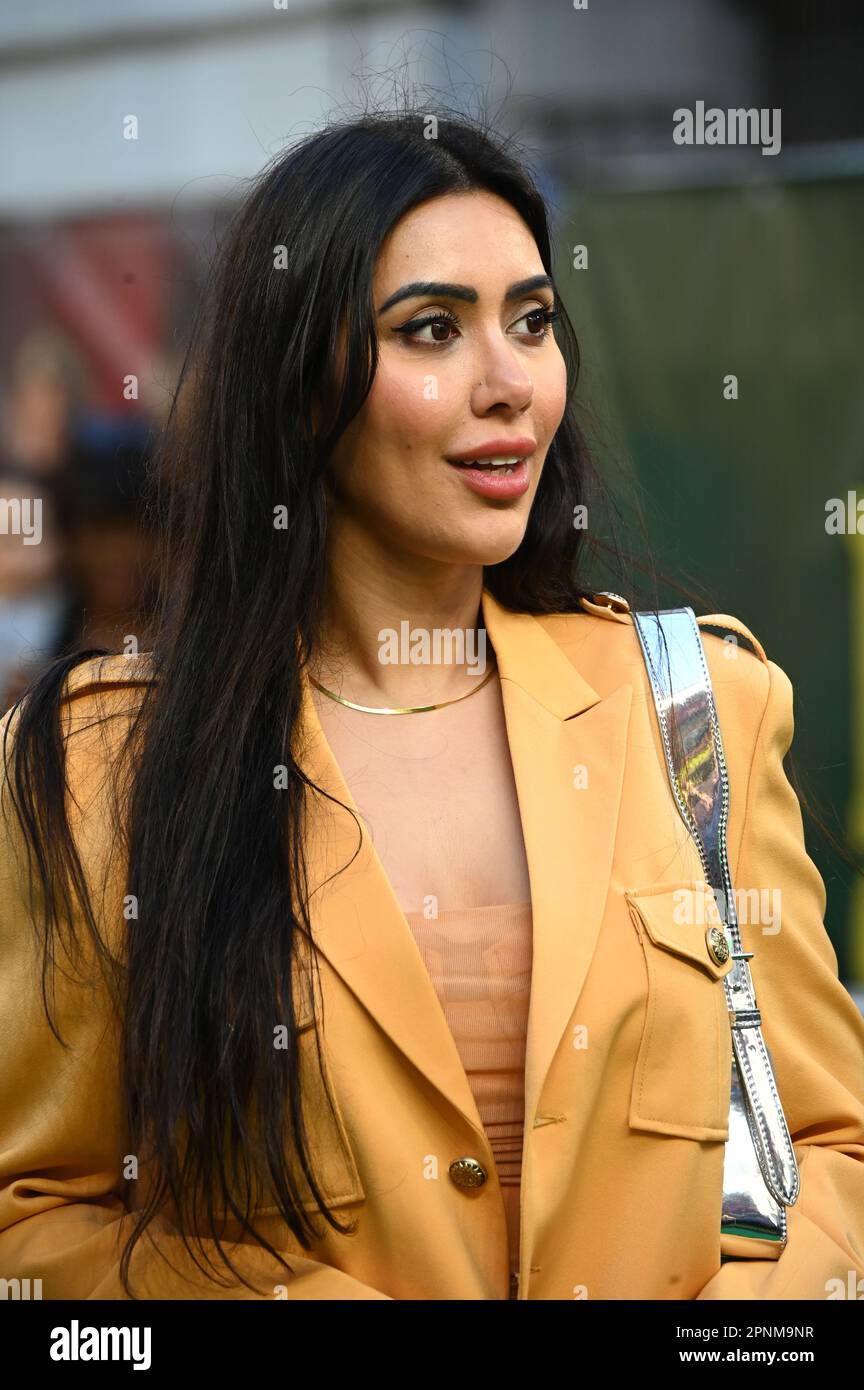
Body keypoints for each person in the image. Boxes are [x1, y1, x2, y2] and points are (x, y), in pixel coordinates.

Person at [0, 107, 862, 1302]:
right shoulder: (104, 766)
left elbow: (831, 1147)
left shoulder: (697, 707)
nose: (510, 383)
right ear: (302, 387)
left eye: (533, 321)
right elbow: (35, 1227)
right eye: (432, 330)